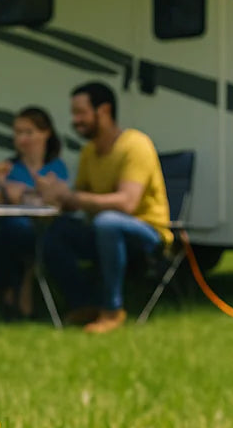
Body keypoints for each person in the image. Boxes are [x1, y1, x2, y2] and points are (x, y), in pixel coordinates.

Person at [35, 82, 170, 334]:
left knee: (107, 222)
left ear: (104, 111)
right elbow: (79, 198)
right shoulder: (89, 152)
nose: (75, 121)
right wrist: (53, 194)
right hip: (102, 229)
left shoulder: (135, 145)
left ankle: (112, 310)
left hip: (147, 232)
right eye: (74, 114)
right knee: (56, 231)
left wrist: (72, 197)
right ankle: (83, 303)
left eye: (80, 113)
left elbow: (127, 203)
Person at [0, 107, 69, 320]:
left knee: (16, 232)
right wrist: (0, 184)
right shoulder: (8, 168)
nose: (22, 139)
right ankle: (17, 296)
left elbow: (59, 201)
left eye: (28, 132)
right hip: (12, 231)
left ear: (46, 133)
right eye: (17, 133)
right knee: (1, 236)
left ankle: (15, 296)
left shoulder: (56, 167)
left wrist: (23, 193)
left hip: (46, 231)